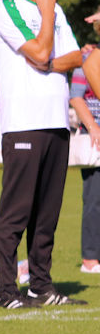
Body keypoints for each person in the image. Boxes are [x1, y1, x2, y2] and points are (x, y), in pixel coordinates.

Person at [0, 0, 85, 308]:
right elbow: (45, 51)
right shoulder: (7, 7)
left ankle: (41, 287)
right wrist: (46, 19)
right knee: (16, 213)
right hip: (23, 121)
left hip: (57, 122)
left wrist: (45, 59)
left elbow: (73, 56)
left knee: (47, 214)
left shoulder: (54, 8)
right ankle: (6, 292)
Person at [68, 36, 100, 274]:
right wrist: (92, 126)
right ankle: (90, 259)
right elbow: (76, 96)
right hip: (96, 137)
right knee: (95, 199)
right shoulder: (87, 58)